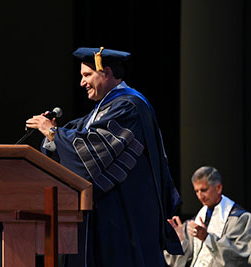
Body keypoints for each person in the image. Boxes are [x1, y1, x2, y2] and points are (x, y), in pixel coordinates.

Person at [26, 47, 183, 266]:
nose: (82, 83)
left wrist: (52, 132)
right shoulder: (103, 110)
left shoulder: (130, 107)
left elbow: (91, 149)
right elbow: (76, 137)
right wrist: (54, 134)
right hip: (106, 216)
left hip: (125, 216)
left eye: (87, 75)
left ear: (106, 72)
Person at [164, 166, 251, 266]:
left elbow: (240, 258)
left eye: (204, 190)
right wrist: (180, 241)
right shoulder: (196, 220)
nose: (200, 196)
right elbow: (183, 261)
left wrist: (207, 238)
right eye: (197, 191)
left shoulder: (240, 219)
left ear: (218, 188)